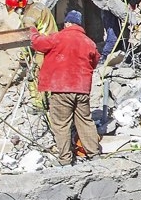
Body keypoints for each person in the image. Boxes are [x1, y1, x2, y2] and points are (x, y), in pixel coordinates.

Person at [30, 10, 101, 163]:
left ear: (68, 23)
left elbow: (38, 43)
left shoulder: (58, 37)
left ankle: (65, 160)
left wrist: (32, 31)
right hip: (82, 89)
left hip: (61, 88)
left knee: (61, 124)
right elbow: (95, 61)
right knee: (85, 121)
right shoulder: (89, 42)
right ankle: (94, 154)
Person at [5, 0, 56, 109]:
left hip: (43, 49)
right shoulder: (39, 6)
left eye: (16, 9)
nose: (16, 12)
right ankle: (50, 101)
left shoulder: (28, 19)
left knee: (36, 77)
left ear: (21, 5)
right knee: (49, 76)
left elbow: (28, 39)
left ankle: (40, 105)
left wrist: (23, 58)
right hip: (54, 44)